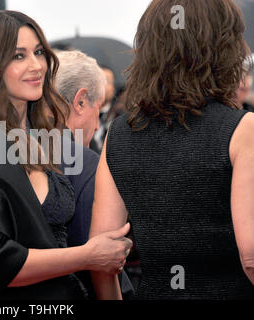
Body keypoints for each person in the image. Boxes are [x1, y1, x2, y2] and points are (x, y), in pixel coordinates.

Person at [0, 10, 132, 300]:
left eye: (38, 52)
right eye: (18, 56)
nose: (36, 65)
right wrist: (88, 256)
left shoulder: (31, 137)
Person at [90, 0, 254, 300]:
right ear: (223, 49)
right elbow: (252, 255)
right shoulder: (243, 129)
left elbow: (102, 255)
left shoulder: (120, 133)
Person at [54, 49, 134, 299]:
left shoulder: (10, 152)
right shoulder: (86, 164)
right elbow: (101, 267)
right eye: (96, 111)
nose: (98, 125)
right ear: (79, 101)